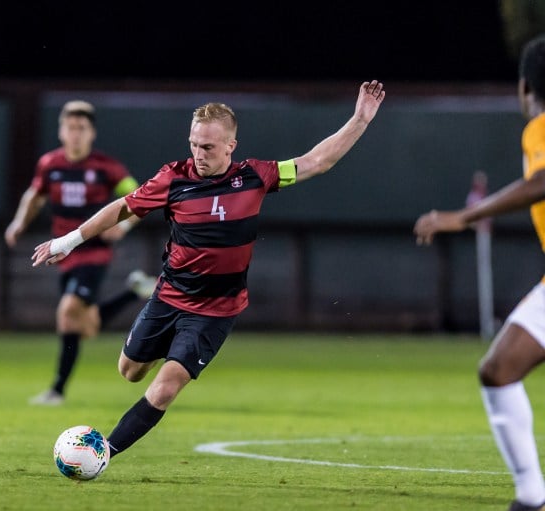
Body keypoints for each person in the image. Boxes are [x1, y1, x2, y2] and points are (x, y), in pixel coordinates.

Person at [31, 81, 385, 457]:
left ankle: (102, 452)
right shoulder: (174, 178)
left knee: (166, 388)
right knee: (129, 371)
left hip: (216, 311)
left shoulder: (256, 176)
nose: (199, 154)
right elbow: (122, 207)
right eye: (194, 145)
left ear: (231, 146)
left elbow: (317, 161)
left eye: (209, 147)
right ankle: (157, 339)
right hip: (168, 297)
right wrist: (67, 242)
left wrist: (360, 119)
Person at [413, 34, 545, 511]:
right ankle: (532, 499)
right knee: (499, 369)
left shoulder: (542, 125)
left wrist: (461, 217)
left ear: (526, 86)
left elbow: (543, 181)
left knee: (499, 369)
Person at [5, 99, 157, 406]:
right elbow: (35, 195)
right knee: (85, 325)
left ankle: (57, 391)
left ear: (92, 133)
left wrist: (124, 228)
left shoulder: (107, 167)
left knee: (67, 313)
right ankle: (136, 291)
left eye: (82, 128)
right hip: (62, 255)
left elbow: (141, 197)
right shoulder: (50, 164)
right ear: (61, 131)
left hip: (94, 254)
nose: (75, 134)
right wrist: (19, 222)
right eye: (70, 127)